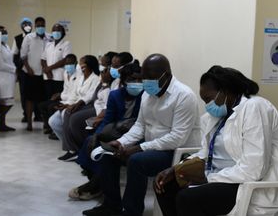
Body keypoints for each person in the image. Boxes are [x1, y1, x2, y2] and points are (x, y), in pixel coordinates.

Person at [83, 53, 201, 216]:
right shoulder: (148, 93)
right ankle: (111, 205)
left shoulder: (184, 96)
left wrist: (139, 148)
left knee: (136, 161)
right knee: (109, 154)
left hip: (177, 152)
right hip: (152, 146)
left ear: (165, 75)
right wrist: (122, 142)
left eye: (149, 77)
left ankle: (132, 211)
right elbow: (140, 125)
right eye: (144, 77)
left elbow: (177, 138)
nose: (145, 82)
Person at [155, 65, 278, 216]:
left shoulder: (255, 107)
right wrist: (176, 169)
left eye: (208, 99)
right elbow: (205, 152)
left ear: (225, 91)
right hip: (219, 176)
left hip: (246, 183)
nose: (207, 105)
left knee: (187, 198)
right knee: (165, 185)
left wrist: (208, 177)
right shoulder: (215, 116)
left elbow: (254, 169)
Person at [70, 62, 144, 201]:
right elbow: (107, 119)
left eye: (140, 80)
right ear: (123, 81)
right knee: (89, 142)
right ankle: (98, 184)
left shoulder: (145, 96)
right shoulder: (115, 95)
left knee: (108, 151)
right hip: (116, 131)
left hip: (135, 135)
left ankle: (94, 186)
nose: (137, 83)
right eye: (133, 80)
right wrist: (97, 134)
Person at [49, 55, 100, 161]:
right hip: (76, 103)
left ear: (89, 66)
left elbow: (90, 96)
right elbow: (74, 94)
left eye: (83, 64)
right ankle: (72, 149)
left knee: (69, 114)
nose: (80, 66)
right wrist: (68, 104)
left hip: (87, 104)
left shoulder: (95, 78)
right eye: (80, 64)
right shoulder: (80, 78)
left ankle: (73, 149)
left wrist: (75, 105)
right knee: (62, 115)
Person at [38, 54, 79, 139]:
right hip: (65, 98)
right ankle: (49, 128)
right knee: (42, 105)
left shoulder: (79, 75)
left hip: (71, 100)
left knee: (51, 107)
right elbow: (66, 89)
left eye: (70, 64)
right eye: (66, 64)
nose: (68, 66)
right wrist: (60, 95)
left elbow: (74, 93)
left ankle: (56, 131)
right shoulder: (65, 72)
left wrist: (61, 96)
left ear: (76, 63)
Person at [20, 17, 49, 131]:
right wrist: (28, 68)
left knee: (44, 99)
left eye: (42, 25)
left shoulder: (50, 37)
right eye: (38, 25)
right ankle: (29, 123)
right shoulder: (29, 37)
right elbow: (23, 55)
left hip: (44, 74)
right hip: (30, 73)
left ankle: (45, 123)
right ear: (35, 26)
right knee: (29, 99)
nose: (40, 27)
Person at [0, 25, 16, 132]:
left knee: (8, 102)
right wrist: (14, 69)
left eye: (5, 33)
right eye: (2, 33)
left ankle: (2, 123)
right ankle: (0, 122)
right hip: (2, 78)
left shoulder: (5, 45)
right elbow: (0, 64)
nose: (5, 35)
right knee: (4, 103)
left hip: (9, 78)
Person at [41, 23, 72, 99]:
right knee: (47, 98)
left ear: (62, 33)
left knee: (56, 99)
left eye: (58, 30)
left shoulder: (66, 44)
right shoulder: (48, 44)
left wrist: (49, 68)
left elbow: (65, 60)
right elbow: (43, 59)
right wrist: (47, 71)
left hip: (59, 77)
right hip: (47, 77)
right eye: (54, 30)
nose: (56, 32)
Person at [11, 17, 33, 122]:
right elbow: (14, 55)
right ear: (21, 26)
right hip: (23, 71)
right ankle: (26, 114)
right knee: (24, 93)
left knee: (37, 92)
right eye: (24, 24)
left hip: (36, 70)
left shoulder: (36, 37)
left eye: (29, 24)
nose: (27, 26)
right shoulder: (17, 39)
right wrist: (18, 68)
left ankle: (38, 115)